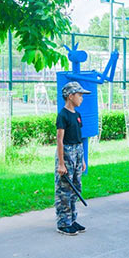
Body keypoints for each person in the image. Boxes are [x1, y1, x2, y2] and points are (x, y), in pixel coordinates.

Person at [55, 81, 90, 236]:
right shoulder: (63, 115)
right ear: (70, 96)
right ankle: (63, 223)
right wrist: (61, 163)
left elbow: (79, 137)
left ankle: (72, 219)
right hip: (67, 153)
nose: (82, 98)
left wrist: (82, 159)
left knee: (75, 187)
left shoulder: (77, 114)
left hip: (77, 151)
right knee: (65, 189)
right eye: (79, 95)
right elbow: (60, 140)